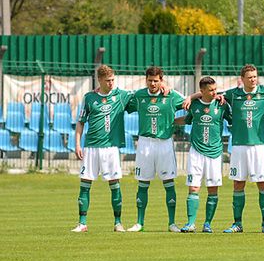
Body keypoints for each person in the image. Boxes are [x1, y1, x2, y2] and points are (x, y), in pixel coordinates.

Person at [71, 65, 134, 232]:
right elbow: (81, 122)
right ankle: (82, 223)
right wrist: (77, 144)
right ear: (99, 80)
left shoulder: (121, 95)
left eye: (113, 80)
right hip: (91, 147)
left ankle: (118, 223)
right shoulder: (89, 97)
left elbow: (143, 96)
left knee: (114, 184)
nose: (111, 83)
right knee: (85, 184)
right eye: (108, 81)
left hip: (110, 148)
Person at [222, 64, 264, 233]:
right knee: (238, 184)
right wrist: (193, 96)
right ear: (242, 79)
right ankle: (237, 224)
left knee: (262, 183)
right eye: (249, 77)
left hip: (259, 145)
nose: (253, 79)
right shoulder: (233, 94)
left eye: (255, 76)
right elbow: (211, 93)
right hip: (239, 145)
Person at [125, 66, 185, 233]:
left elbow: (189, 101)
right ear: (146, 80)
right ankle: (139, 223)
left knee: (169, 183)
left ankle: (172, 223)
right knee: (143, 183)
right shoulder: (138, 96)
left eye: (156, 80)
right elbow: (121, 102)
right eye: (150, 80)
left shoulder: (171, 96)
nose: (152, 83)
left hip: (164, 143)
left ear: (161, 80)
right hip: (145, 144)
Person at [174, 77, 231, 233]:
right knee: (193, 188)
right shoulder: (195, 105)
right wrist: (170, 122)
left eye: (215, 89)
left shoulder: (222, 105)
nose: (214, 92)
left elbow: (233, 121)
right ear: (202, 91)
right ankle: (191, 223)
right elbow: (187, 120)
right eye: (211, 90)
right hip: (196, 152)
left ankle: (207, 224)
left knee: (213, 189)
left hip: (215, 152)